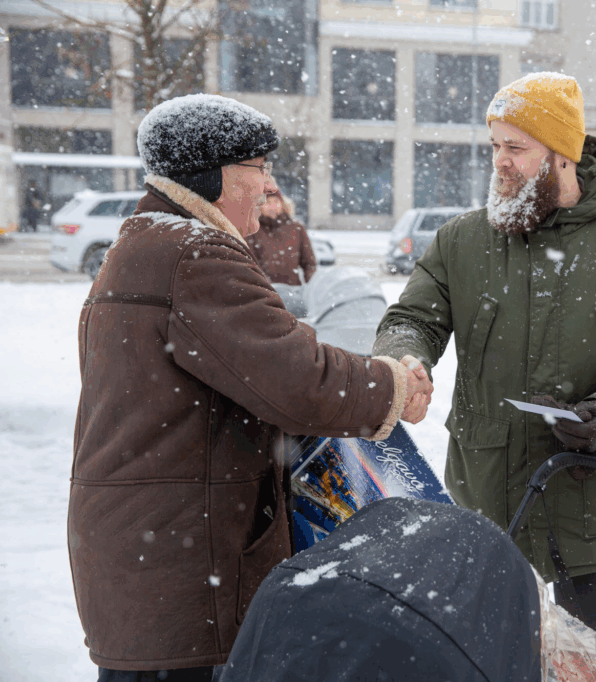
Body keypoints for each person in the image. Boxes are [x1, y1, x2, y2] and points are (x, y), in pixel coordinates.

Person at [68, 94, 432, 682]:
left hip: (147, 549)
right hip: (181, 560)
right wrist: (391, 385)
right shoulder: (194, 253)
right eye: (258, 169)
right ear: (212, 177)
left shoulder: (144, 244)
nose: (268, 189)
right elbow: (296, 378)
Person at [372, 72, 596, 639]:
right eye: (495, 146)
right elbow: (412, 319)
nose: (500, 162)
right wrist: (405, 359)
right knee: (488, 651)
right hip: (488, 492)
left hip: (593, 495)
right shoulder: (462, 240)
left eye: (516, 148)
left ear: (561, 157)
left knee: (586, 656)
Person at [245, 180, 318, 286]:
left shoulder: (296, 229)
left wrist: (311, 285)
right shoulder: (252, 230)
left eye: (276, 202)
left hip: (294, 291)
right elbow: (251, 265)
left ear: (283, 203)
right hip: (263, 293)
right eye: (267, 203)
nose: (273, 207)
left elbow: (310, 264)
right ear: (259, 205)